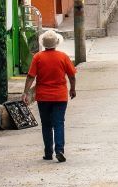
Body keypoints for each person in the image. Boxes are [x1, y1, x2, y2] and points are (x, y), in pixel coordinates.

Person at [22, 30, 77, 162]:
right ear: (56, 43)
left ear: (44, 44)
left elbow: (30, 76)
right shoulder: (63, 57)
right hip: (60, 97)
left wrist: (25, 92)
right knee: (59, 123)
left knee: (46, 125)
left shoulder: (38, 57)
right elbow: (71, 76)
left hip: (43, 97)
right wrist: (73, 89)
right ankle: (59, 150)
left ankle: (48, 152)